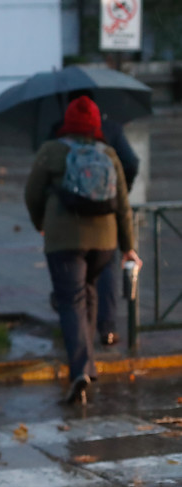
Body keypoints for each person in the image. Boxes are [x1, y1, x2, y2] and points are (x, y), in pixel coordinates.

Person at [26, 96, 142, 405]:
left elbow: (32, 193)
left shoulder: (52, 151)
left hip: (64, 241)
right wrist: (128, 247)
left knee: (71, 302)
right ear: (94, 125)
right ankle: (88, 365)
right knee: (88, 293)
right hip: (104, 242)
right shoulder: (109, 153)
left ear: (68, 123)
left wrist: (41, 223)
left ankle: (80, 370)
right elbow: (123, 206)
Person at [50, 89, 140, 346]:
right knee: (106, 271)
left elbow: (38, 185)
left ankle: (80, 340)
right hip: (105, 221)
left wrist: (42, 219)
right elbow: (132, 163)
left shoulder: (58, 134)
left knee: (74, 286)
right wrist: (116, 193)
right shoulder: (111, 132)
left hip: (67, 221)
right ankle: (107, 328)